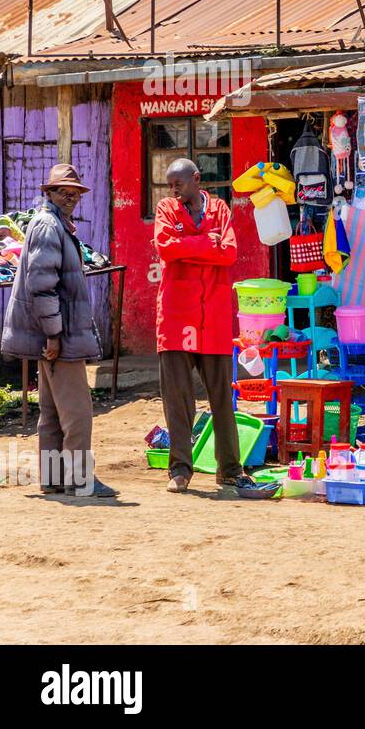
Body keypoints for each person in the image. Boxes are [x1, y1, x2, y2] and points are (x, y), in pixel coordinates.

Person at [2, 164, 116, 497]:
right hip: (59, 338)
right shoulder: (49, 226)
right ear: (48, 193)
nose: (71, 197)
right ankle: (80, 480)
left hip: (55, 335)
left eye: (75, 192)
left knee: (52, 413)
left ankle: (54, 480)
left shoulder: (53, 225)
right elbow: (42, 286)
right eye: (63, 191)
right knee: (78, 413)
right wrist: (53, 334)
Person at [153, 158, 251, 492]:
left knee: (222, 397)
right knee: (177, 400)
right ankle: (180, 469)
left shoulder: (220, 209)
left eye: (178, 183)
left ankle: (230, 469)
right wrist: (207, 243)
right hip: (177, 317)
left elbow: (229, 253)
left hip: (215, 318)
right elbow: (166, 248)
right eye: (169, 184)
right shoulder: (166, 209)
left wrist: (189, 249)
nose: (173, 189)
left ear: (196, 179)